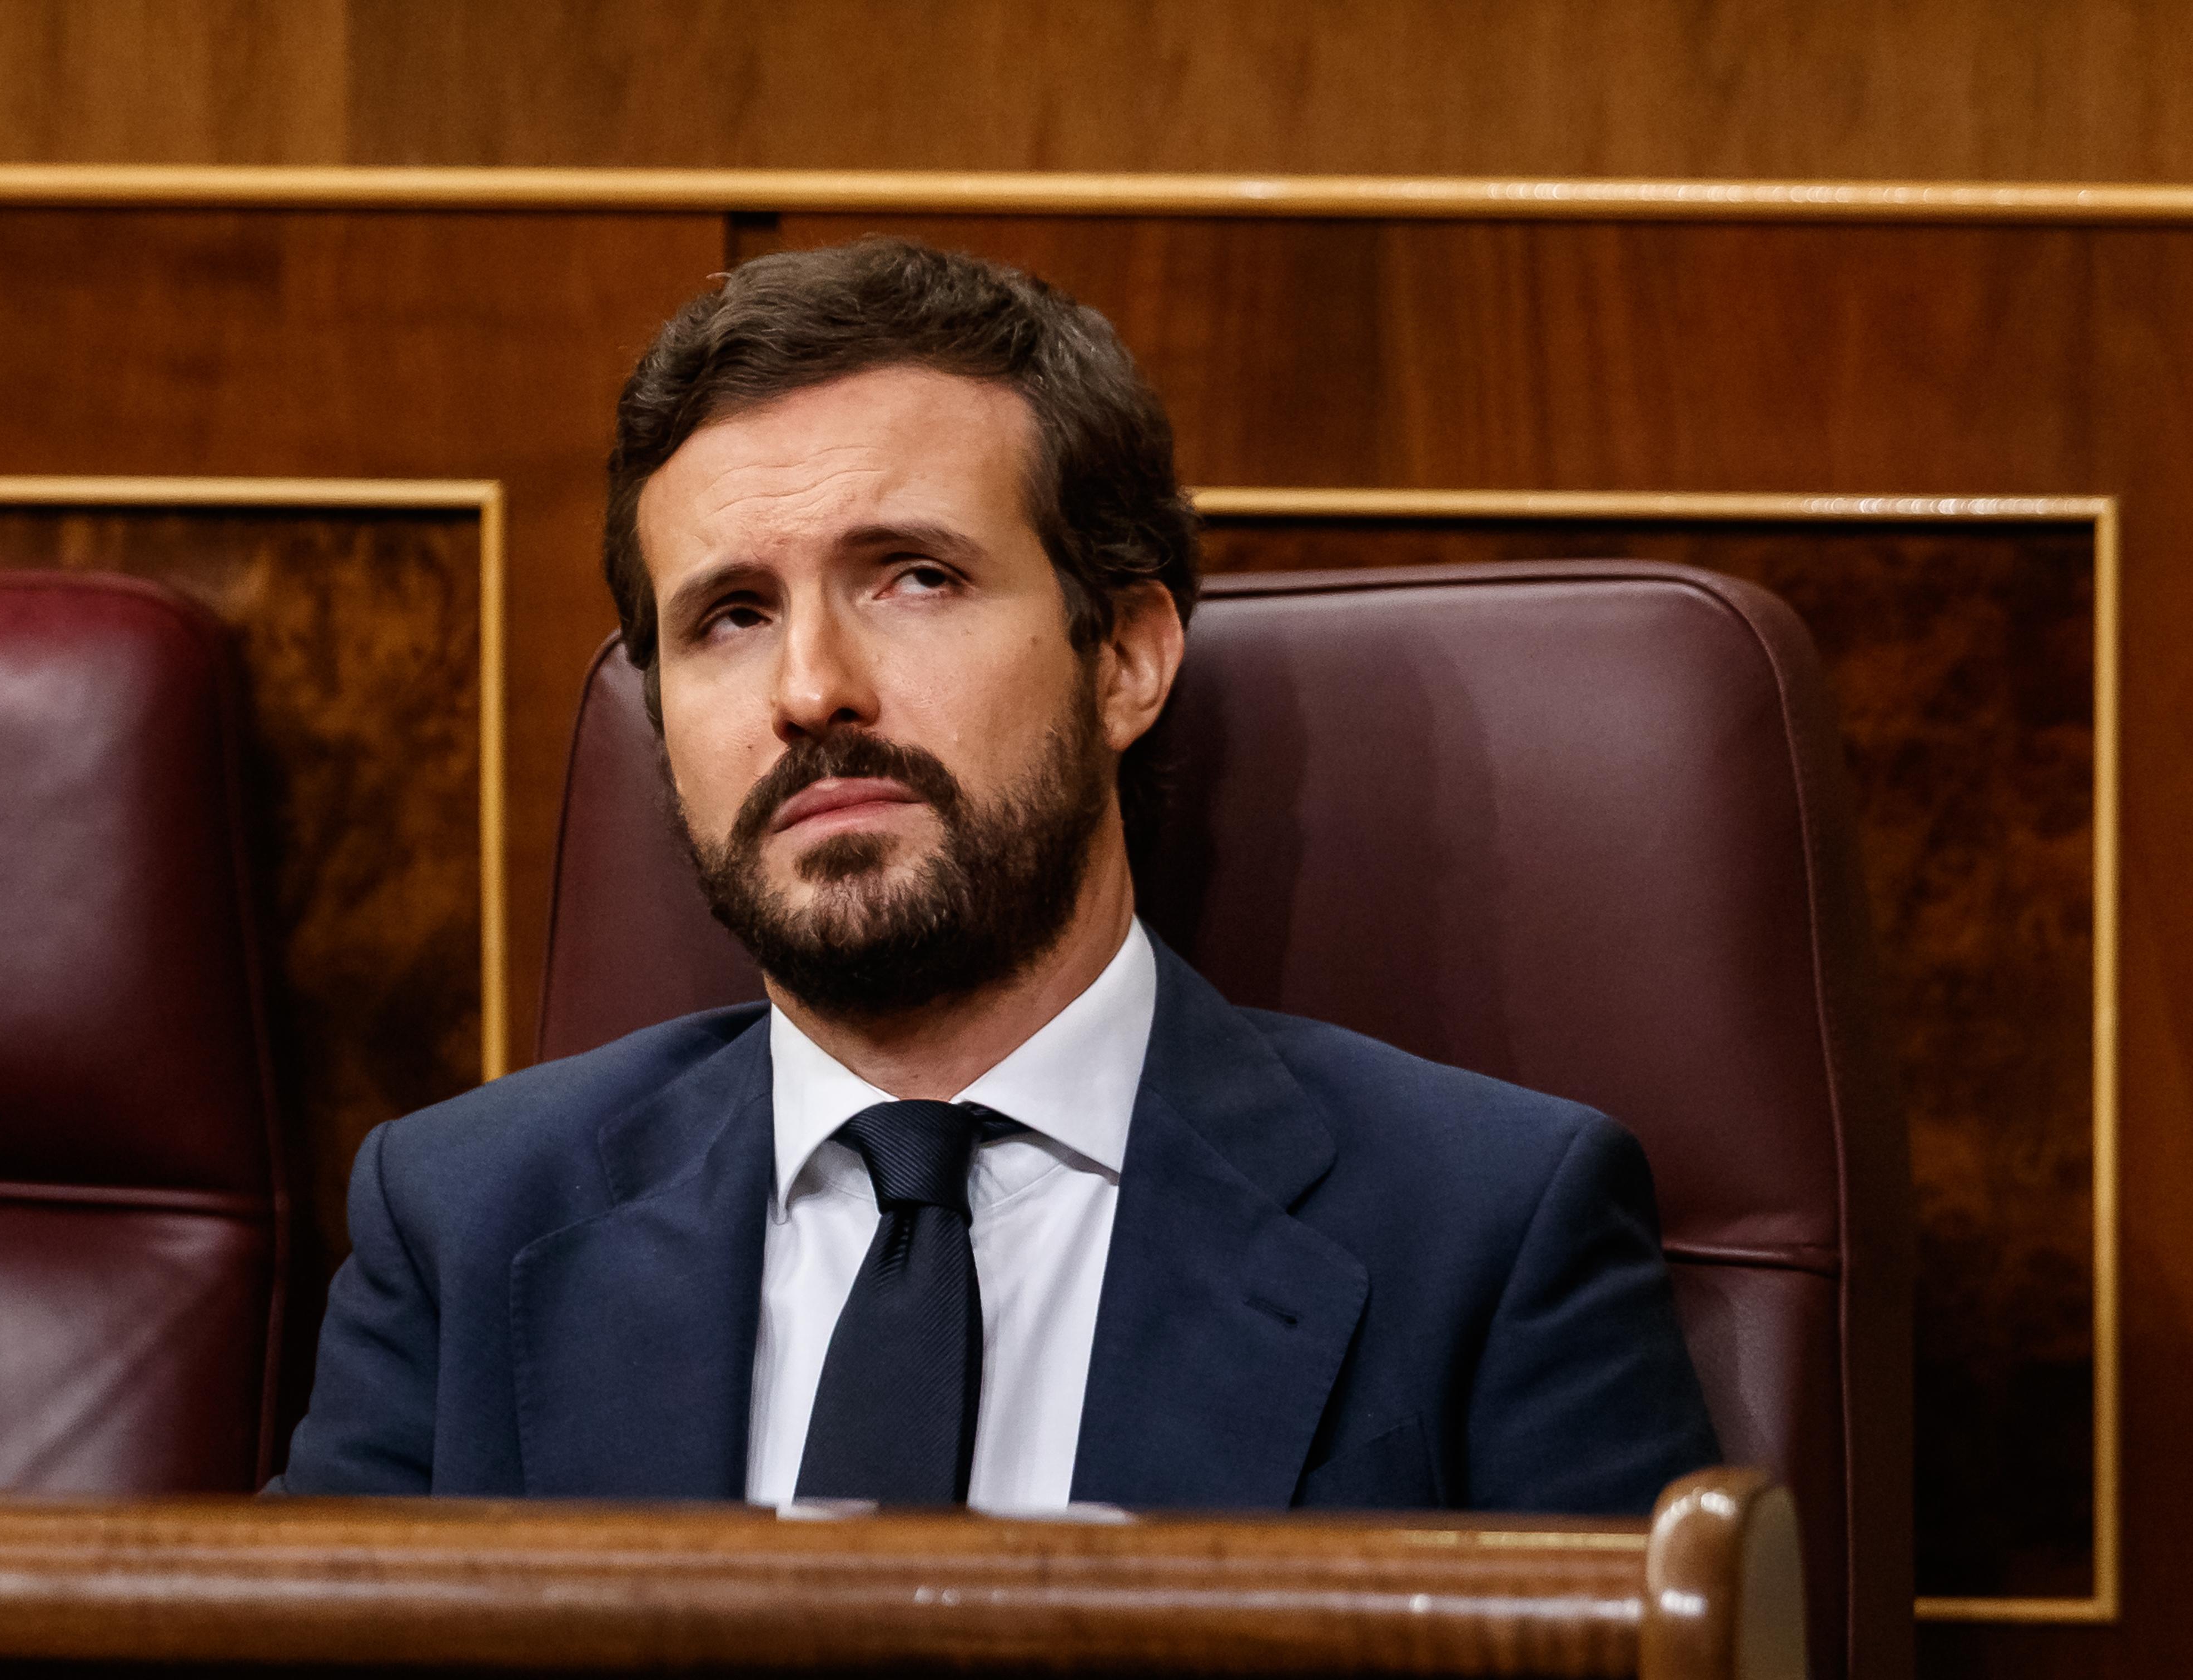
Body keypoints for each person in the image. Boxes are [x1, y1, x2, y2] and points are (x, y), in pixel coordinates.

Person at [280, 237, 1719, 1513]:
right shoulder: (467, 1222)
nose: (811, 689)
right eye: (728, 614)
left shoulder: (1483, 1229)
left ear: (1128, 657)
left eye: (914, 576)